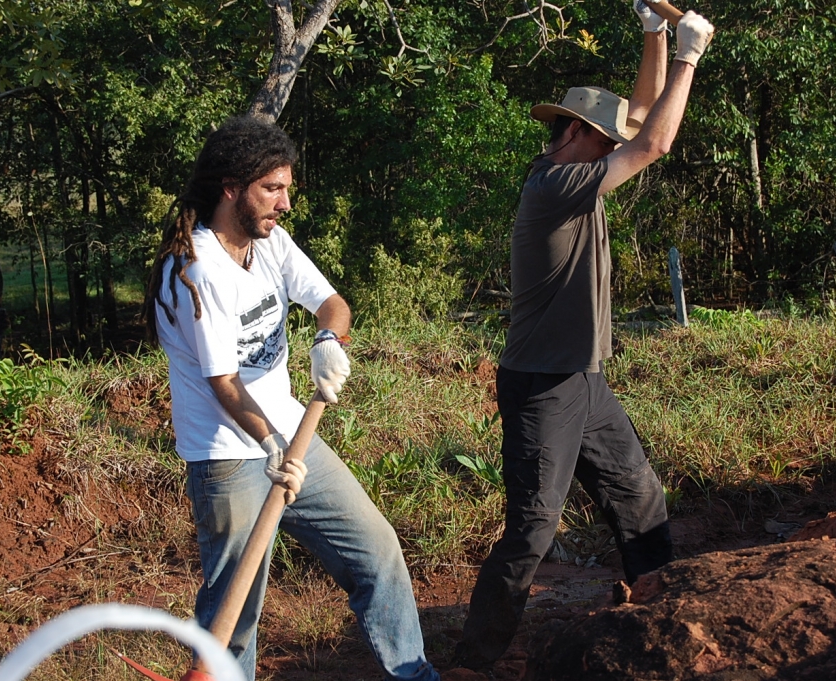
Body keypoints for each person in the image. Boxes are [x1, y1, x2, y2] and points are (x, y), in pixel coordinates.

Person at [452, 2, 714, 674]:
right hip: (542, 386)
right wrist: (690, 54)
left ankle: (655, 614)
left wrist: (655, 34)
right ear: (571, 134)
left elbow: (640, 122)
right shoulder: (555, 184)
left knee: (639, 495)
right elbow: (653, 141)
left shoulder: (580, 176)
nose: (611, 147)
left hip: (584, 380)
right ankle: (472, 662)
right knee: (533, 530)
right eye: (601, 138)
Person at [142, 116, 439, 681]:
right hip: (228, 455)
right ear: (232, 187)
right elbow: (223, 382)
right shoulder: (197, 270)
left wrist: (328, 339)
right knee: (237, 606)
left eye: (287, 188)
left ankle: (416, 676)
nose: (284, 202)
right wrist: (271, 443)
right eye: (271, 188)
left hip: (292, 440)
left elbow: (332, 303)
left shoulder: (270, 242)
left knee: (377, 551)